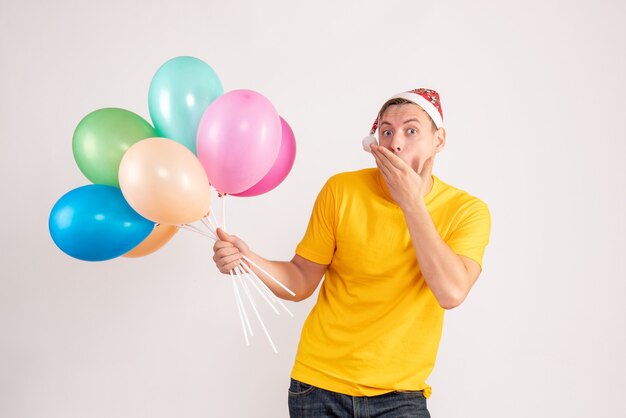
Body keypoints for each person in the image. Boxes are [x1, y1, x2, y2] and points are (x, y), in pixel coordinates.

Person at [212, 88, 491, 417]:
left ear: (438, 141)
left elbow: (451, 292)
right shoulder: (341, 191)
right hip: (319, 387)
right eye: (386, 131)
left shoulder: (467, 211)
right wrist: (248, 261)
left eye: (411, 131)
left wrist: (411, 203)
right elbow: (300, 281)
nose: (396, 142)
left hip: (401, 395)